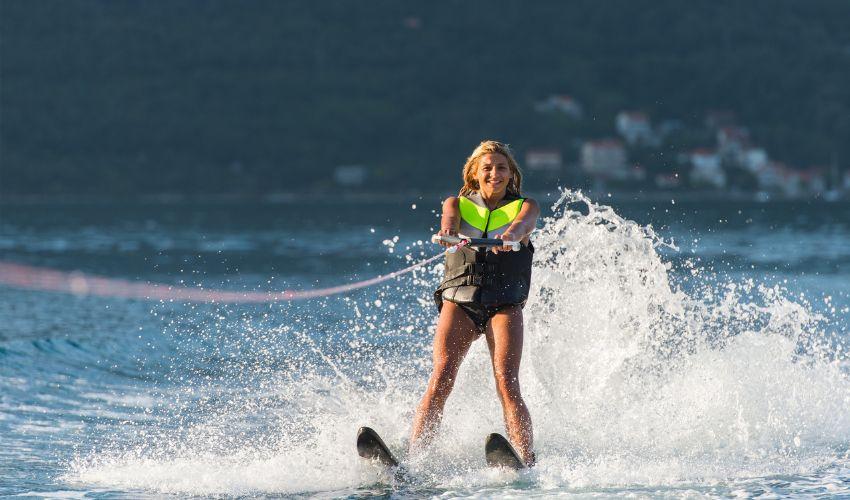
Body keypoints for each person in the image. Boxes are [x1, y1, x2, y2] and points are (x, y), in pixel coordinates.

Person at [409, 140, 540, 466]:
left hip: (504, 304)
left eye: (501, 168)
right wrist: (448, 234)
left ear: (510, 174)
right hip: (461, 300)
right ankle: (416, 458)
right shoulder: (456, 202)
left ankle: (526, 458)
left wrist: (511, 235)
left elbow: (524, 224)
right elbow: (449, 220)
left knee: (507, 382)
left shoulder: (525, 206)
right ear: (474, 174)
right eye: (488, 168)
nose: (495, 173)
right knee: (441, 376)